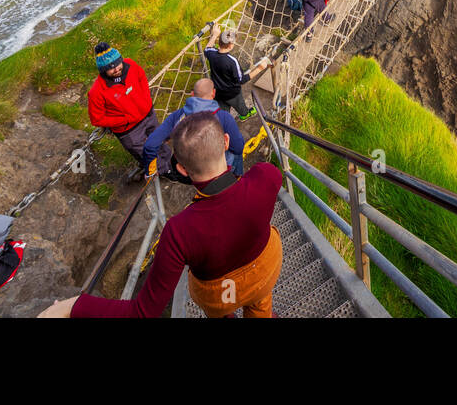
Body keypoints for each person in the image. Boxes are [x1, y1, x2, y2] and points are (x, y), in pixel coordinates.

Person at [41, 112, 283, 319]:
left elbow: (143, 311)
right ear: (226, 141)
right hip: (264, 270)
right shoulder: (265, 177)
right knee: (260, 301)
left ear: (182, 169)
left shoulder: (178, 232)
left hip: (218, 295)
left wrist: (73, 305)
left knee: (220, 308)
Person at [141, 78, 245, 180]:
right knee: (236, 154)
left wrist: (151, 171)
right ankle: (237, 176)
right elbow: (238, 147)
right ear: (213, 93)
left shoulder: (177, 116)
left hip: (195, 172)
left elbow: (150, 145)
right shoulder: (224, 117)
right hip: (220, 168)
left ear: (192, 94)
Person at [87, 43, 157, 172]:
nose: (116, 69)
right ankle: (160, 173)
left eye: (117, 63)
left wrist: (146, 101)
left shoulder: (130, 64)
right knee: (146, 156)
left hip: (148, 114)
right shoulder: (96, 92)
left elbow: (141, 77)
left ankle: (168, 164)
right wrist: (125, 119)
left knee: (158, 141)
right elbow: (96, 119)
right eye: (110, 68)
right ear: (103, 70)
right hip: (130, 131)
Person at [203, 23, 269, 120]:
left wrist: (214, 35)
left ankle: (224, 123)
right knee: (240, 106)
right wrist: (260, 68)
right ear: (230, 46)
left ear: (219, 42)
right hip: (232, 93)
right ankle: (244, 115)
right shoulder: (232, 61)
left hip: (218, 92)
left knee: (223, 112)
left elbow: (206, 49)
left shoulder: (212, 54)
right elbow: (241, 80)